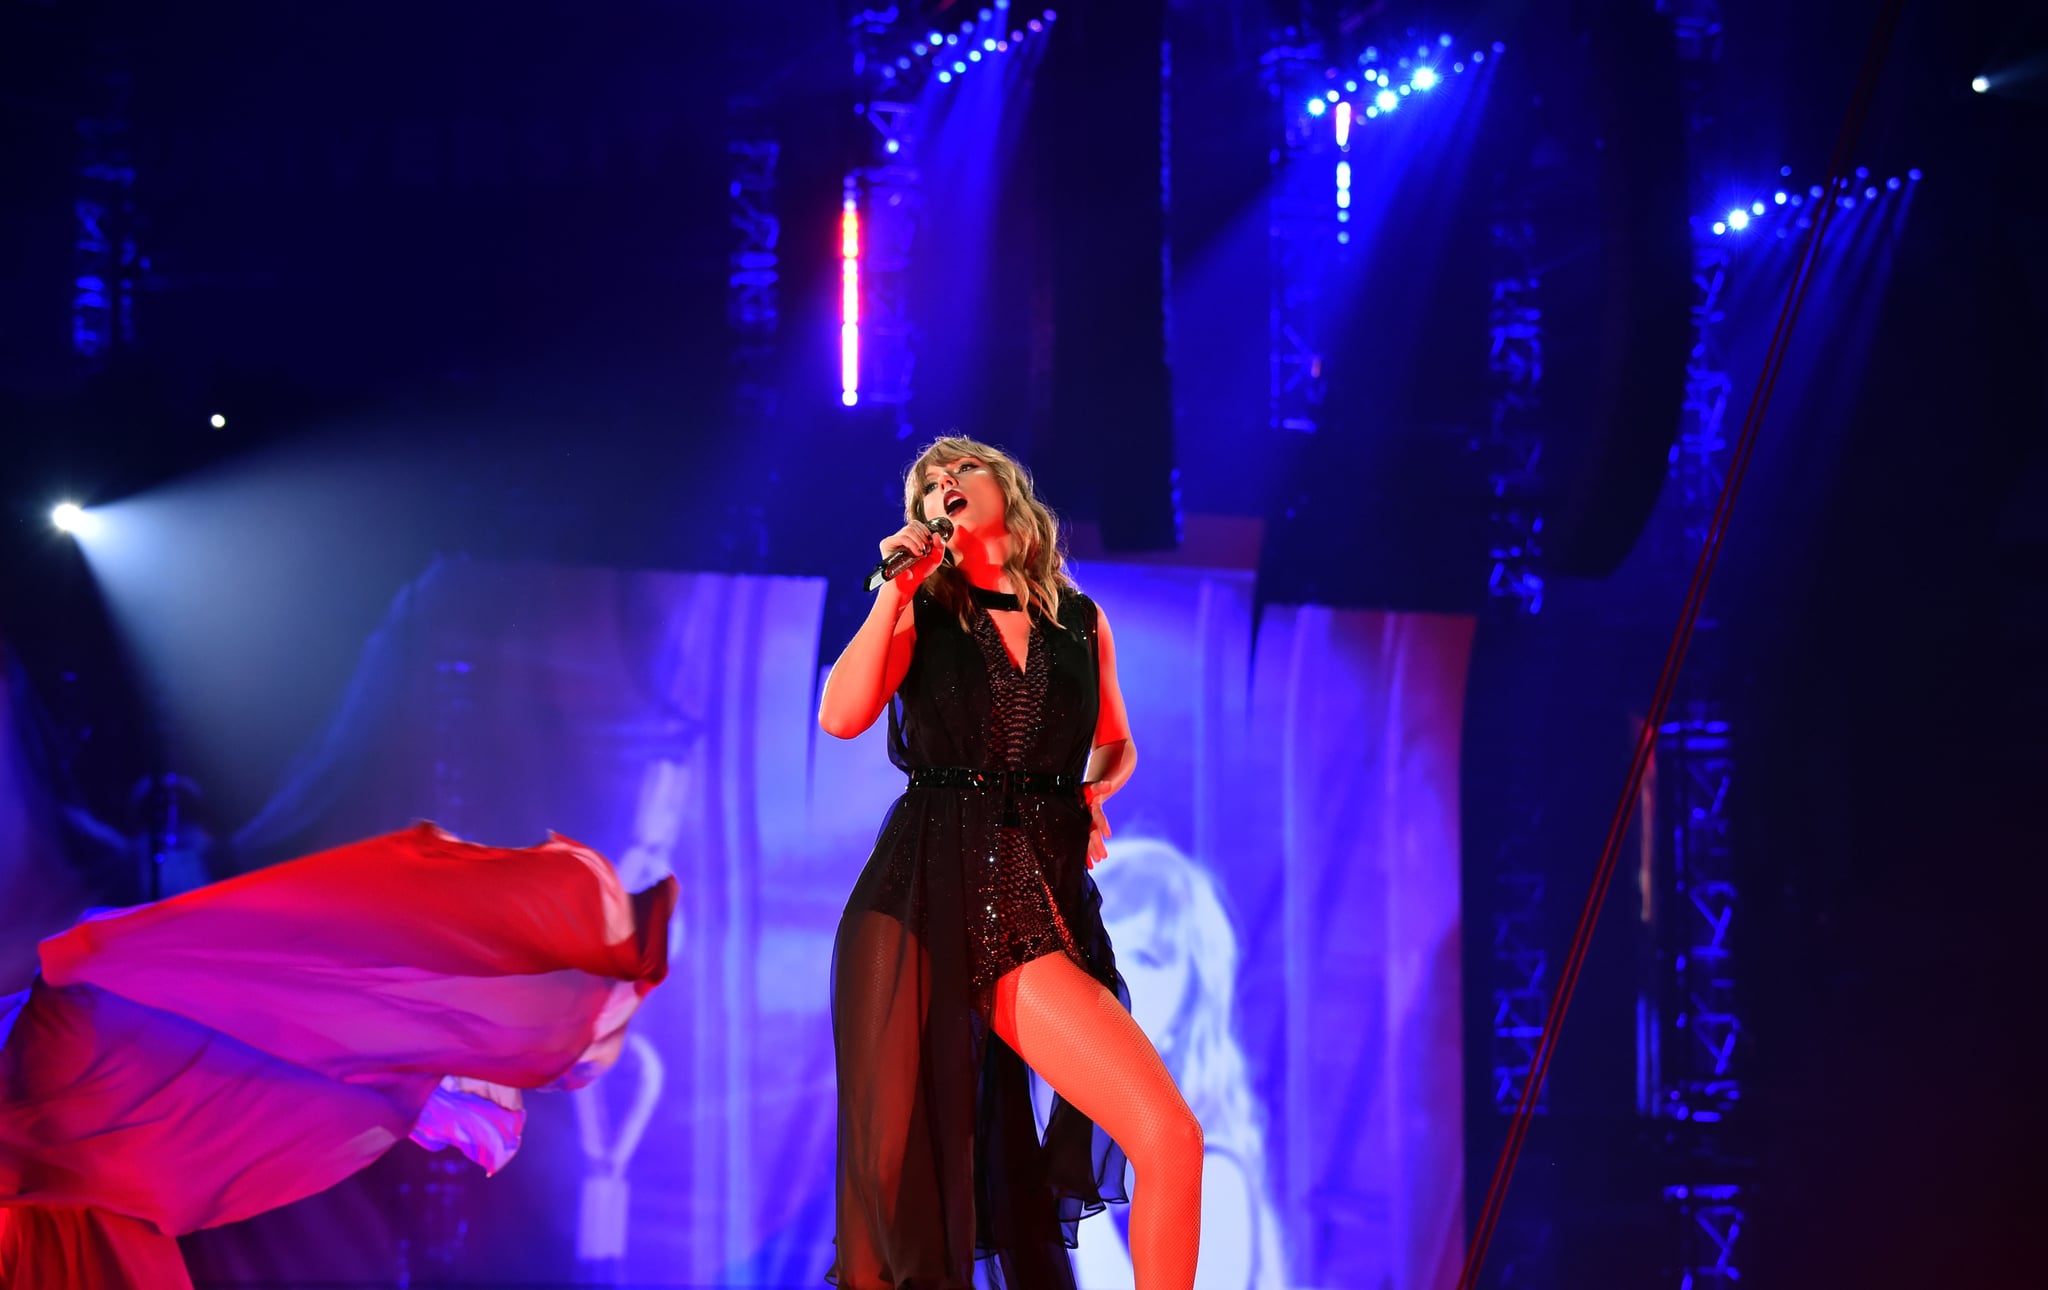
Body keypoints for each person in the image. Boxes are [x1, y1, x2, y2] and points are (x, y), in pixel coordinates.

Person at [819, 436, 1204, 1290]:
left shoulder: (1080, 621)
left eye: (960, 470)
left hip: (1034, 908)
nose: (943, 484)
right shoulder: (919, 606)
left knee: (1169, 1136)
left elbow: (1117, 744)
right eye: (928, 482)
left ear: (1008, 488)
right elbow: (842, 716)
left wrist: (1092, 795)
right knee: (891, 1206)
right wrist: (895, 590)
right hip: (917, 897)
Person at [0, 822, 676, 1289]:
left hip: (69, 1117)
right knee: (118, 994)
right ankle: (432, 1043)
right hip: (67, 1140)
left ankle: (434, 1041)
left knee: (120, 993)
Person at [1077, 838, 1288, 1290]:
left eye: (1148, 959)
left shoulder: (1218, 1175)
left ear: (1190, 1006)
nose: (1120, 975)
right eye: (1107, 946)